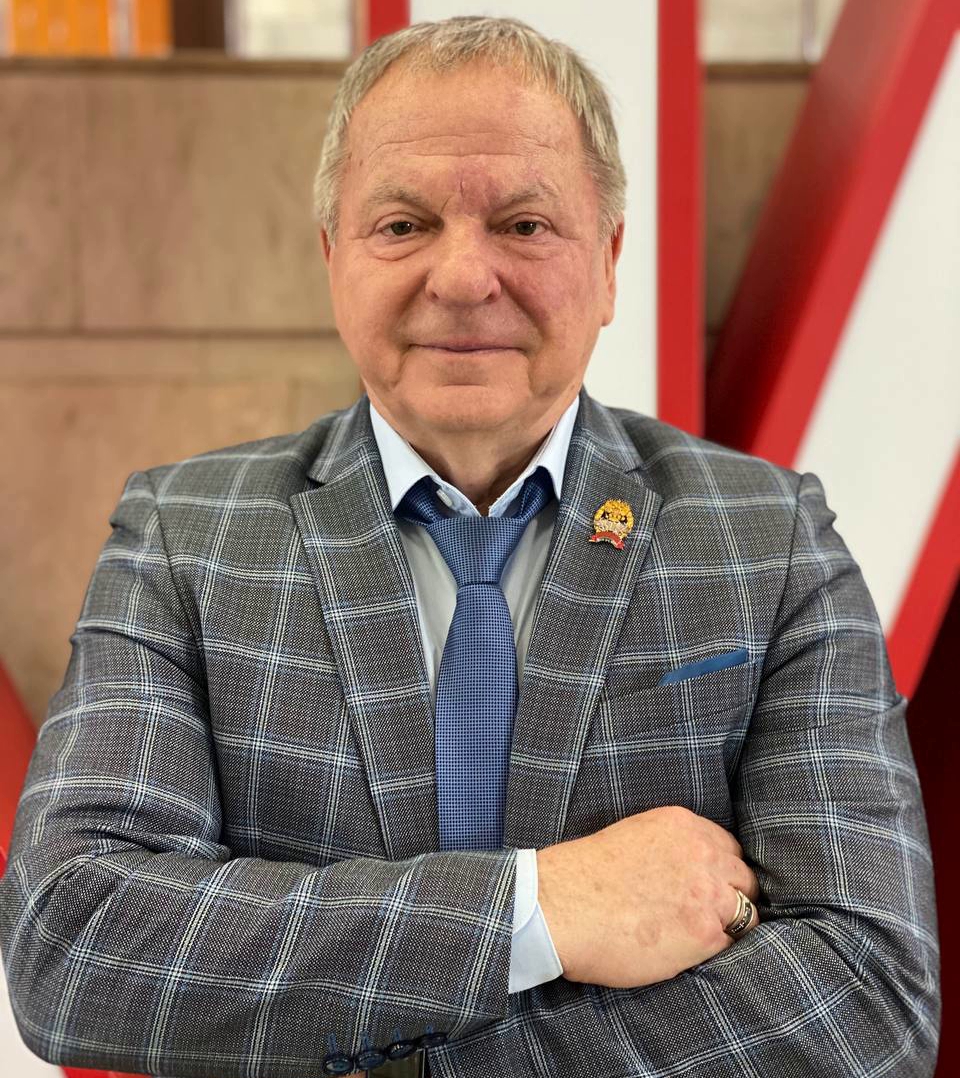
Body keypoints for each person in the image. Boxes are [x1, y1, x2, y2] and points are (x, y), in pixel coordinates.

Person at [0, 15, 940, 1078]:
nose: (460, 276)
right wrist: (540, 908)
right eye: (403, 225)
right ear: (333, 258)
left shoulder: (768, 541)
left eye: (524, 224)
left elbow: (871, 999)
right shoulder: (186, 539)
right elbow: (74, 944)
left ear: (610, 261)